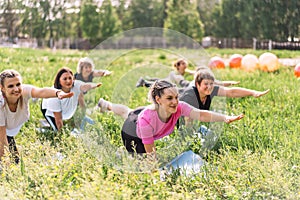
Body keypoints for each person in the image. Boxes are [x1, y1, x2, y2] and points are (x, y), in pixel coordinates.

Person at [97, 80, 244, 156]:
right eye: (169, 98)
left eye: (176, 97)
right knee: (138, 157)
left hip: (143, 114)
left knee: (128, 111)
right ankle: (123, 152)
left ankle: (107, 105)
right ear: (158, 99)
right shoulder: (146, 121)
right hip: (133, 133)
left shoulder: (178, 107)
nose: (175, 101)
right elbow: (151, 154)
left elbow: (201, 114)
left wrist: (224, 117)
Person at [0, 69, 73, 163]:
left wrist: (58, 93)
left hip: (7, 134)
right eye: (10, 86)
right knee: (7, 165)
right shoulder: (1, 105)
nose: (16, 89)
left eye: (18, 84)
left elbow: (40, 92)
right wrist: (7, 167)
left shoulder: (24, 92)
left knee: (16, 162)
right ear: (1, 87)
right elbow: (2, 139)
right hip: (1, 134)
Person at [41, 67, 101, 132]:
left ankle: (46, 124)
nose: (68, 81)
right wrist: (62, 135)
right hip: (49, 112)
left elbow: (84, 86)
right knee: (56, 131)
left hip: (65, 112)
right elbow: (58, 119)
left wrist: (93, 85)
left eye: (70, 78)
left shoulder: (76, 85)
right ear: (59, 81)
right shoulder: (54, 97)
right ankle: (42, 130)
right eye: (65, 79)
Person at [180, 69, 270, 110]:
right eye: (206, 84)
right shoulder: (190, 96)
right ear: (197, 84)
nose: (209, 87)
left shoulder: (210, 90)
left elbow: (232, 92)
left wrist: (253, 92)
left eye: (211, 83)